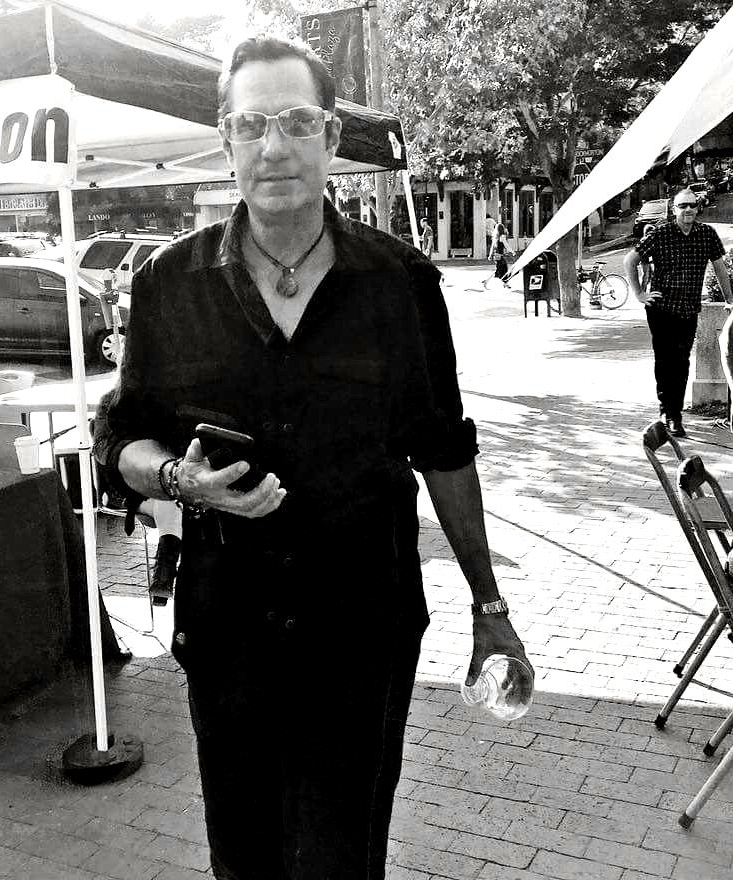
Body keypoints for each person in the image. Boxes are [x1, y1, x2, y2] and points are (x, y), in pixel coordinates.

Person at [93, 34, 531, 880]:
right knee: (245, 856)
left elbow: (444, 448)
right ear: (226, 141)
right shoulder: (168, 285)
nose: (274, 146)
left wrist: (489, 602)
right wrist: (180, 479)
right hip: (229, 627)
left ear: (331, 138)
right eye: (251, 125)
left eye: (296, 122)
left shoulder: (401, 283)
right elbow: (120, 439)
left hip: (361, 626)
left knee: (344, 855)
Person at [624, 188, 732, 438]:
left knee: (681, 362)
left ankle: (675, 413)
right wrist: (639, 294)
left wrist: (730, 300)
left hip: (688, 309)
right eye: (683, 206)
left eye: (692, 205)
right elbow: (630, 260)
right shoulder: (660, 233)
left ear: (697, 208)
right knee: (665, 361)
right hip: (661, 310)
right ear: (674, 210)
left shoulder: (707, 234)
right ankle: (668, 413)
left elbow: (720, 268)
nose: (688, 210)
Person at [483, 220, 513, 289]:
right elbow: (506, 246)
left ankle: (505, 283)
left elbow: (492, 247)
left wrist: (490, 255)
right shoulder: (502, 236)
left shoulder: (495, 237)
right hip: (499, 256)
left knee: (503, 269)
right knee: (501, 270)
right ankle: (486, 281)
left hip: (496, 256)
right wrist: (512, 252)